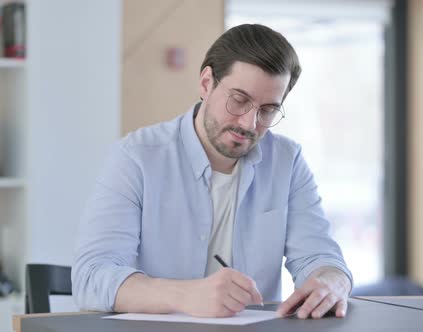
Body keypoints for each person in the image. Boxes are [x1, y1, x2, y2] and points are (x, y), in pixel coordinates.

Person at [72, 23, 353, 320]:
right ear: (206, 83)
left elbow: (320, 257)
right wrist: (184, 294)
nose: (249, 123)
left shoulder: (288, 161)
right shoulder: (136, 157)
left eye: (268, 110)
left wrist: (333, 280)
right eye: (239, 100)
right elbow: (91, 277)